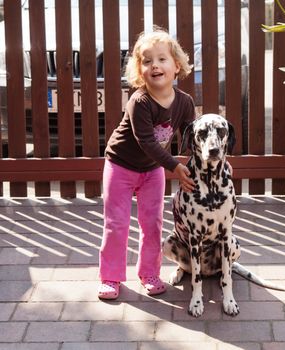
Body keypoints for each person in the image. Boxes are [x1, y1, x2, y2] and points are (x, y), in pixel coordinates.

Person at [98, 28, 196, 299]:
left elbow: (191, 137)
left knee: (152, 223)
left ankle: (149, 273)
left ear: (176, 65)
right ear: (140, 70)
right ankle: (110, 278)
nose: (155, 65)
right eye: (147, 60)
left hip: (152, 171)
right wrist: (176, 166)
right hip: (120, 166)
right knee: (116, 223)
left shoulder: (185, 102)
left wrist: (212, 163)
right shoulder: (139, 101)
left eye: (162, 59)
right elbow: (147, 142)